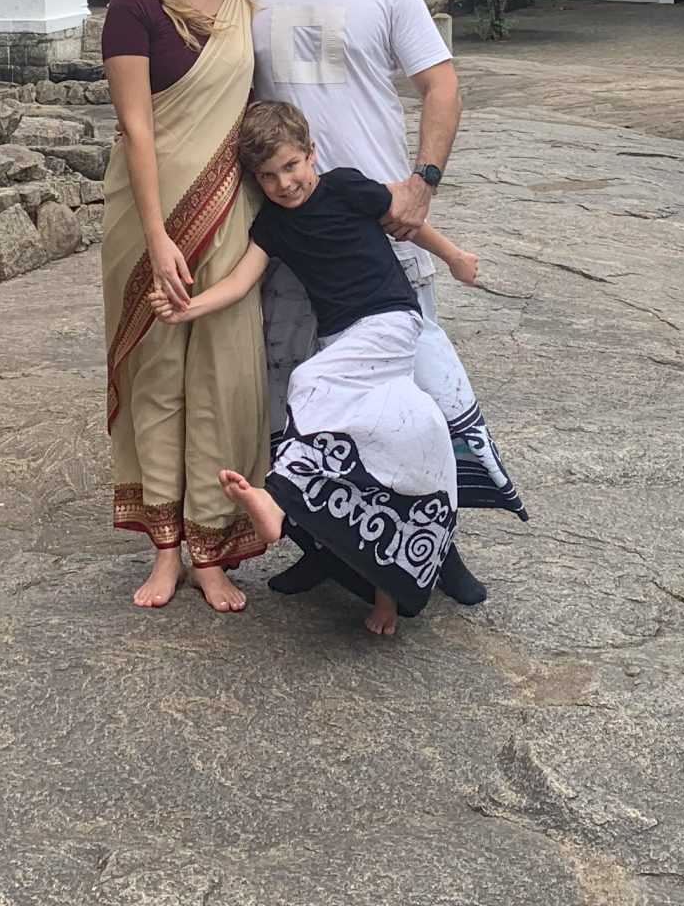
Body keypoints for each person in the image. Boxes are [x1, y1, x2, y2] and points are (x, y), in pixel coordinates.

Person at [250, 0, 527, 610]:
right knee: (302, 400)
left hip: (379, 233)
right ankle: (329, 549)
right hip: (295, 242)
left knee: (419, 399)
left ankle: (438, 552)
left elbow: (442, 85)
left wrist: (422, 182)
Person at [149, 100, 478, 635]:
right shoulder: (273, 226)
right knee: (373, 452)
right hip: (345, 344)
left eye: (291, 166)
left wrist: (455, 255)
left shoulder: (347, 187)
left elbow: (407, 225)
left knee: (308, 381)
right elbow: (239, 283)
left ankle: (277, 503)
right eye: (269, 175)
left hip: (389, 322)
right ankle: (384, 598)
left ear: (311, 153)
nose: (284, 183)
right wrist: (189, 307)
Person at [100, 0, 269, 612]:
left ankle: (211, 549)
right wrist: (162, 233)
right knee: (160, 377)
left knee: (220, 378)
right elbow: (136, 128)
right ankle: (165, 550)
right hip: (149, 221)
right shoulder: (134, 4)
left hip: (229, 211)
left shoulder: (242, 2)